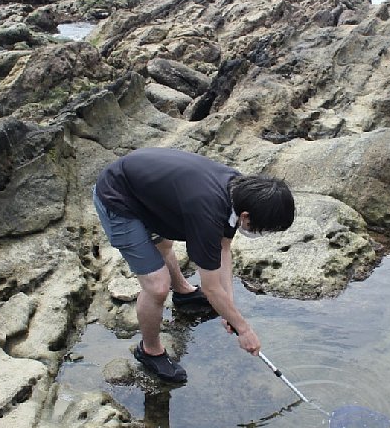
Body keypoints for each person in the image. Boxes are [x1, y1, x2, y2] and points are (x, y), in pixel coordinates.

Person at [93, 147, 295, 383]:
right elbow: (210, 288)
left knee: (164, 245)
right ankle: (149, 351)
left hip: (146, 192)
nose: (261, 233)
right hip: (118, 198)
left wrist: (228, 308)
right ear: (247, 217)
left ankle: (183, 293)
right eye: (263, 229)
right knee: (157, 286)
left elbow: (224, 248)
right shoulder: (208, 211)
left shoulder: (238, 191)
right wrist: (245, 330)